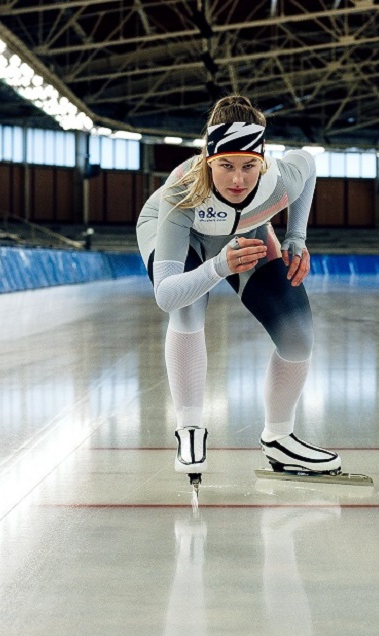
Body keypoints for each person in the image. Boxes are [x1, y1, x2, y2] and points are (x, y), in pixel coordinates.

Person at [136, 94, 340, 480]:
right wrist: (218, 266)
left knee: (298, 334)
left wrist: (297, 236)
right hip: (184, 238)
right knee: (187, 305)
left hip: (248, 234)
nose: (237, 179)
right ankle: (190, 427)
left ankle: (279, 438)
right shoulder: (181, 191)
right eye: (225, 165)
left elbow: (308, 164)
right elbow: (165, 294)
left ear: (262, 161)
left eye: (249, 166)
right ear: (208, 159)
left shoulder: (280, 181)